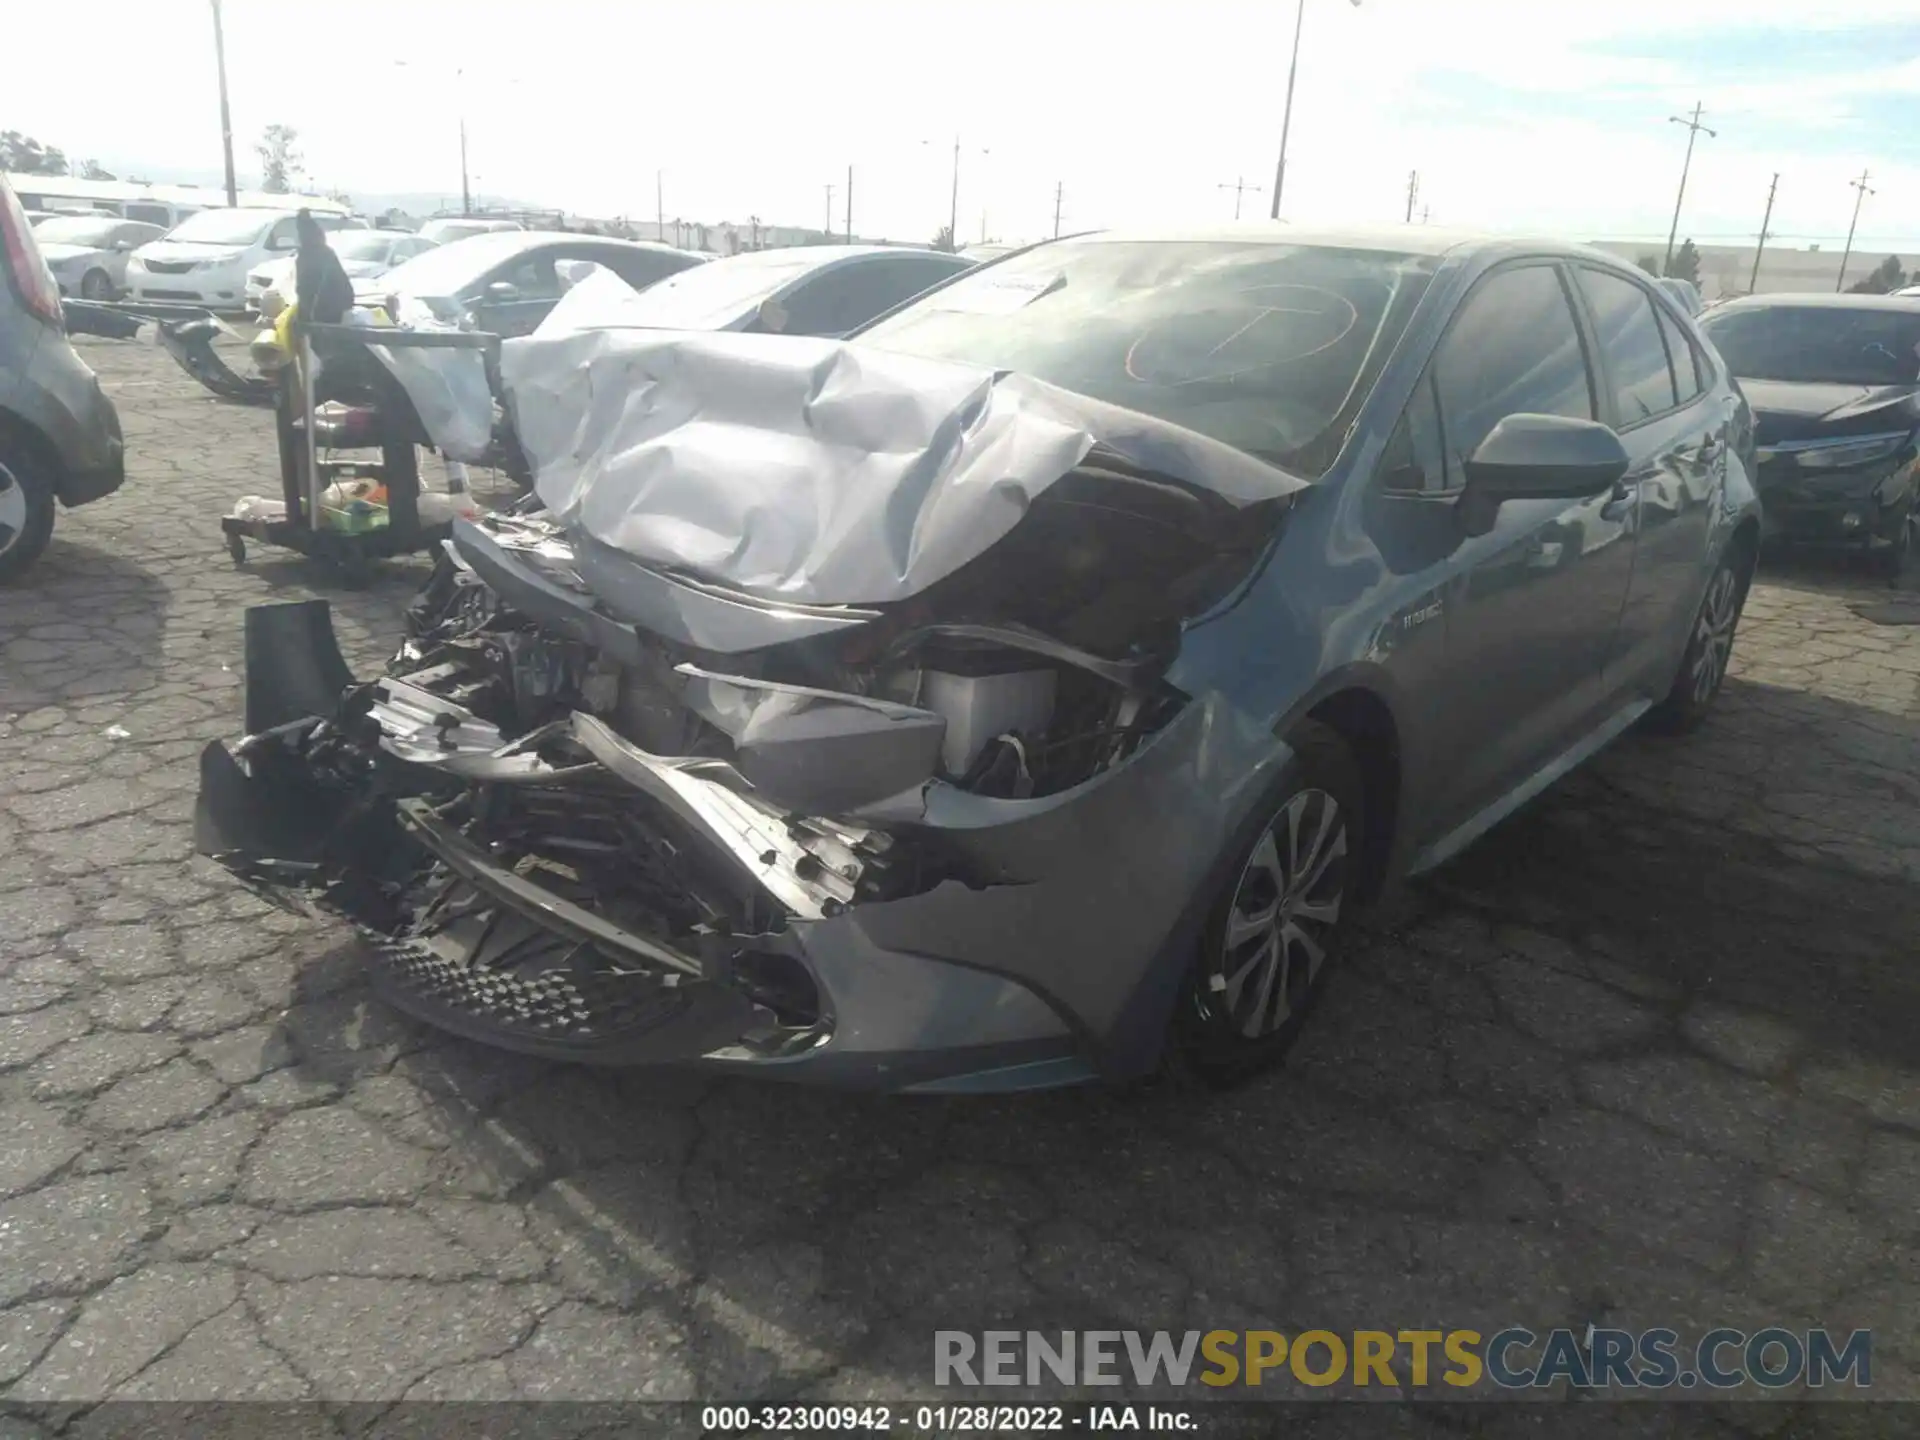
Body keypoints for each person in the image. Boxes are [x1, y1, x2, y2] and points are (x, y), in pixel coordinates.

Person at [292, 209, 355, 326]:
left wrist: (302, 316)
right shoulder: (326, 252)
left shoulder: (309, 255)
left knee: (320, 339)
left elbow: (306, 288)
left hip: (323, 310)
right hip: (337, 307)